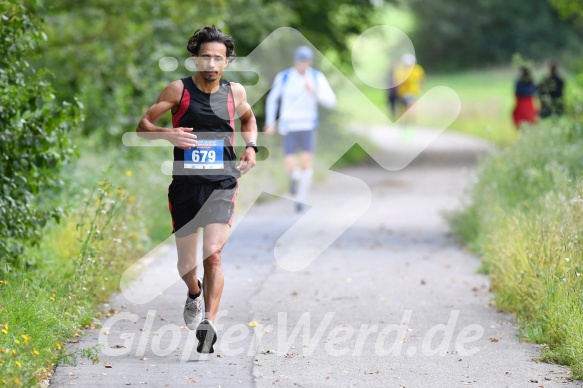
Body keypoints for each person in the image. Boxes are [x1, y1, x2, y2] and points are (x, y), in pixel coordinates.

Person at [136, 26, 258, 354]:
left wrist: (251, 148)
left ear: (227, 62)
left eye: (218, 58)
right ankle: (193, 292)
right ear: (195, 59)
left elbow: (248, 120)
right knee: (186, 264)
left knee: (213, 255)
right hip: (185, 187)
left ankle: (209, 323)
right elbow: (143, 126)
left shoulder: (236, 93)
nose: (211, 63)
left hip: (222, 183)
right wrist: (168, 134)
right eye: (205, 56)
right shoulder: (178, 90)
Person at [264, 45, 336, 212]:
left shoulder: (317, 77)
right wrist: (270, 122)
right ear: (296, 62)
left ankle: (300, 199)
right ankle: (294, 179)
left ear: (310, 63)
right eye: (300, 62)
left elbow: (331, 101)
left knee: (306, 165)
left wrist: (314, 91)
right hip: (288, 126)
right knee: (291, 167)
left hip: (308, 126)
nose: (303, 65)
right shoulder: (284, 77)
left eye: (306, 62)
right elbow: (272, 100)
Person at [393, 54, 425, 123]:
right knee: (405, 108)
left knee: (410, 106)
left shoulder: (415, 70)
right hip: (403, 93)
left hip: (410, 92)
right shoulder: (416, 69)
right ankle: (407, 121)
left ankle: (409, 120)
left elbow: (421, 79)